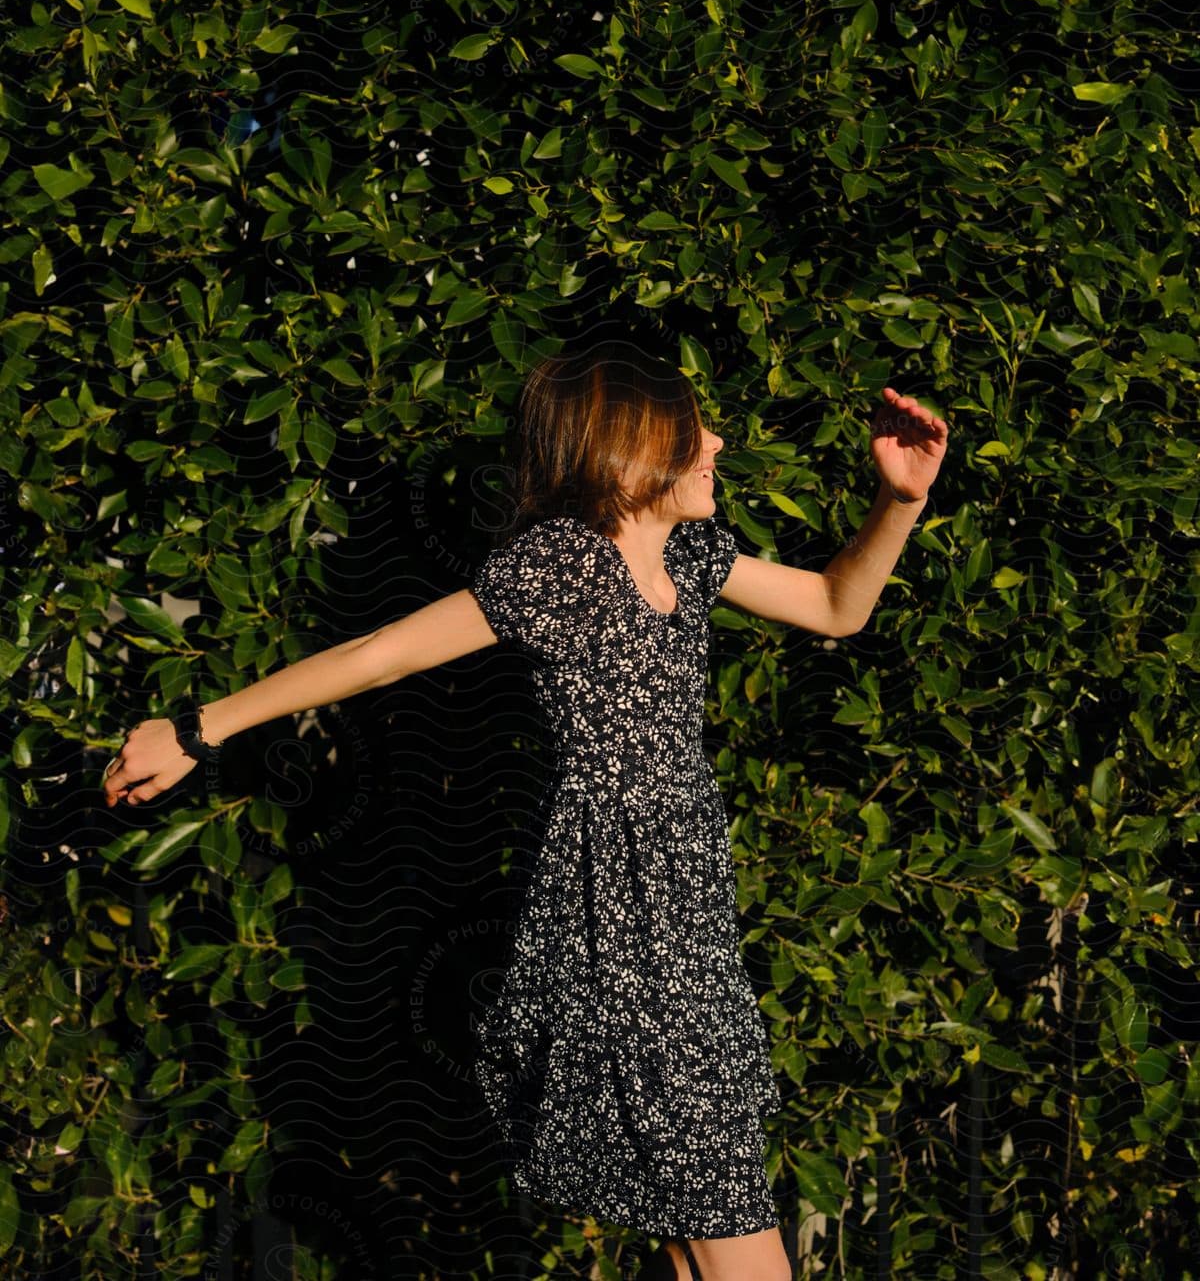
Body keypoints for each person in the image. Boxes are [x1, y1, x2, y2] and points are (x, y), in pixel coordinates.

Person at [101, 342, 949, 1281]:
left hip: (690, 917)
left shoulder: (694, 556)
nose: (717, 439)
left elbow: (837, 605)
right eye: (689, 429)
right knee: (728, 1223)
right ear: (626, 452)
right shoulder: (556, 569)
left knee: (694, 1223)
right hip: (616, 927)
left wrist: (899, 502)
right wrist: (197, 727)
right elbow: (379, 653)